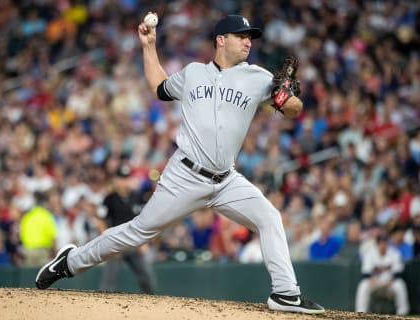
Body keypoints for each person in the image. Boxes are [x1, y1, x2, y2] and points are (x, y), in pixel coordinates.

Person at [35, 13, 325, 314]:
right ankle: (69, 262)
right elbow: (159, 87)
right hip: (184, 176)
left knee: (269, 217)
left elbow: (293, 108)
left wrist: (285, 96)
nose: (248, 41)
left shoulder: (258, 77)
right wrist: (149, 46)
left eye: (250, 37)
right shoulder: (193, 73)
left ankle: (285, 293)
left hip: (226, 180)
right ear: (221, 40)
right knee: (137, 231)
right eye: (241, 36)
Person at [99, 164, 155, 294]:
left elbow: (144, 221)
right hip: (116, 244)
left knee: (147, 278)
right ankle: (102, 306)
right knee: (108, 282)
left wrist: (144, 242)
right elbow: (101, 220)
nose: (124, 182)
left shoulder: (137, 197)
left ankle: (152, 304)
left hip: (134, 243)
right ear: (116, 180)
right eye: (121, 178)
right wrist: (107, 240)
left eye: (126, 178)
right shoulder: (109, 199)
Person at [355, 232, 410, 315]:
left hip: (390, 282)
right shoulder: (370, 254)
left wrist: (390, 281)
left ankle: (402, 312)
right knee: (363, 285)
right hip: (374, 283)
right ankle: (360, 313)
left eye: (385, 242)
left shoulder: (394, 253)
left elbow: (398, 273)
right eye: (381, 242)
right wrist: (372, 280)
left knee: (400, 285)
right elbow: (366, 273)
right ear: (377, 243)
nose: (383, 245)